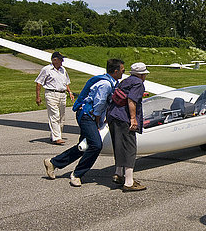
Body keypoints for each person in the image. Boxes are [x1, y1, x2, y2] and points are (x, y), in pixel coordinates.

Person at [43, 59, 125, 187]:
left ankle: (53, 163)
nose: (123, 73)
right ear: (115, 71)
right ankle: (77, 174)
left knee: (84, 146)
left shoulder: (108, 81)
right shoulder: (106, 85)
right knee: (96, 145)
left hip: (89, 115)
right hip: (88, 116)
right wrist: (98, 121)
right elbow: (100, 103)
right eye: (122, 70)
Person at [107, 62, 149, 192]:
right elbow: (131, 101)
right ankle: (129, 182)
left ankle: (118, 174)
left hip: (113, 115)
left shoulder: (125, 81)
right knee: (130, 148)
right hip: (124, 118)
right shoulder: (138, 83)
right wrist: (133, 119)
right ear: (142, 75)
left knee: (118, 145)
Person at [35, 51, 74, 144]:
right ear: (54, 60)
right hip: (51, 94)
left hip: (62, 94)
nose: (62, 61)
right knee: (54, 116)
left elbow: (66, 83)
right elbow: (38, 83)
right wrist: (38, 97)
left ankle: (55, 134)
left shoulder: (63, 70)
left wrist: (70, 92)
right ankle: (57, 138)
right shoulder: (46, 69)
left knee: (61, 116)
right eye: (61, 60)